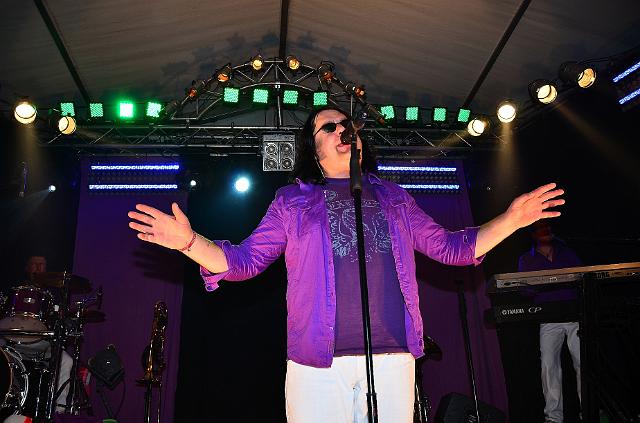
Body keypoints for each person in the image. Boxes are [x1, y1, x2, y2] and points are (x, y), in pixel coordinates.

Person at [128, 106, 565, 423]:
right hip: (317, 367)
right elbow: (244, 261)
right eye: (329, 126)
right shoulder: (292, 202)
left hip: (392, 359)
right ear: (314, 149)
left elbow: (453, 248)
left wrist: (512, 219)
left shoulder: (394, 197)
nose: (343, 129)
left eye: (347, 124)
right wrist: (190, 242)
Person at [518, 221, 582, 423]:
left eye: (548, 228)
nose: (546, 231)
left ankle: (588, 411)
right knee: (548, 366)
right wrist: (539, 284)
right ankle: (553, 417)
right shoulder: (526, 259)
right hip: (548, 319)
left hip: (573, 315)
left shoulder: (566, 253)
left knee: (582, 363)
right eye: (541, 228)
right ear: (534, 234)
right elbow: (523, 290)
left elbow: (582, 277)